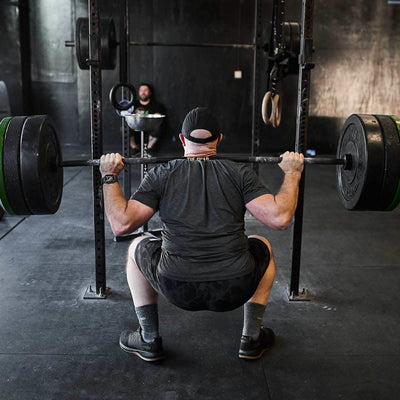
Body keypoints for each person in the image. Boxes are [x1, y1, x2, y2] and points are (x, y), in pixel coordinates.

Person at [99, 107, 304, 362]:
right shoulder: (240, 173)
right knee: (262, 245)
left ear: (183, 140)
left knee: (137, 246)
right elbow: (280, 218)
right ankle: (251, 338)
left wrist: (109, 175)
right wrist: (293, 172)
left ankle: (149, 339)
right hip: (235, 286)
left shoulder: (162, 174)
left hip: (177, 287)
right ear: (219, 139)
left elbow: (121, 225)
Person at [129, 83, 165, 154]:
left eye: (145, 90)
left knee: (160, 127)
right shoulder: (134, 105)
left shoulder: (156, 105)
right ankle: (135, 148)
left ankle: (148, 149)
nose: (143, 92)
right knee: (124, 128)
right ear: (139, 92)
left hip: (150, 128)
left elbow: (158, 117)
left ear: (150, 92)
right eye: (141, 90)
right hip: (136, 127)